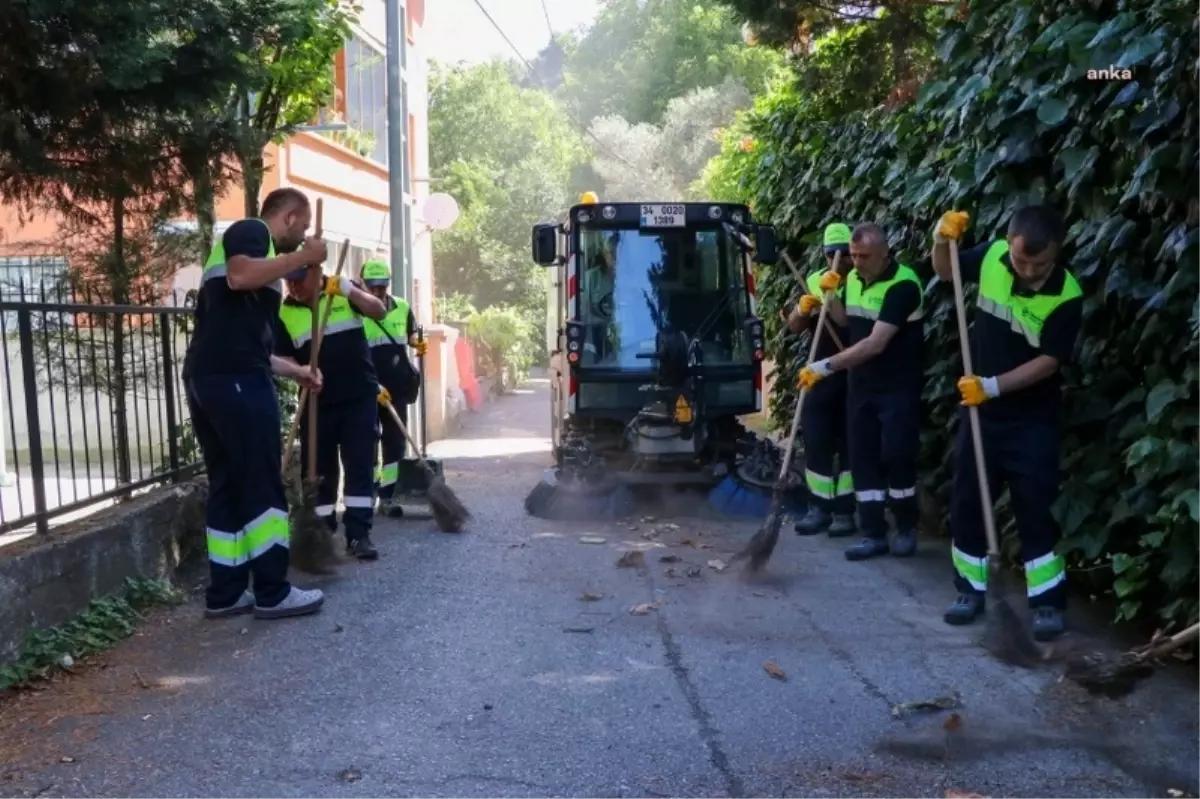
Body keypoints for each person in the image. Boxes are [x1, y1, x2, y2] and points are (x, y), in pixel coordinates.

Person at [932, 206, 1082, 641]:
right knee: (968, 500)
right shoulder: (993, 254)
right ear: (1010, 245)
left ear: (1057, 253)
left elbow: (1050, 362)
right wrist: (942, 240)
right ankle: (970, 591)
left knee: (1036, 504)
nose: (1030, 271)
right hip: (980, 413)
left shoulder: (1067, 294)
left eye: (1041, 264)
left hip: (1031, 418)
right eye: (1022, 262)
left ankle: (1048, 602)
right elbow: (946, 273)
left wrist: (992, 386)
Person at [182, 187, 328, 620]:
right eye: (299, 229)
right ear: (288, 218)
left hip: (212, 378)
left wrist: (297, 371)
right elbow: (241, 275)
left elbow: (244, 344)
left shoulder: (249, 257)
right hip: (236, 382)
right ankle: (272, 590)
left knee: (227, 482)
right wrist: (305, 257)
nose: (299, 237)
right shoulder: (251, 232)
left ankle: (225, 593)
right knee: (262, 481)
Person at [797, 223, 924, 561]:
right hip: (861, 387)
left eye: (864, 256)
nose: (856, 263)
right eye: (852, 256)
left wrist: (824, 366)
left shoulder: (904, 285)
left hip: (897, 387)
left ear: (885, 253)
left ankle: (905, 527)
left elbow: (874, 344)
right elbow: (842, 323)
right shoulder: (852, 278)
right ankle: (872, 533)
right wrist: (830, 294)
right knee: (863, 459)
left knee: (897, 456)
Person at [274, 262, 388, 560]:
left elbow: (379, 311)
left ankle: (359, 535)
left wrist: (350, 290)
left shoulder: (343, 293)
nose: (293, 287)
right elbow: (282, 356)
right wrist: (300, 372)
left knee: (360, 465)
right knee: (318, 470)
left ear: (316, 273)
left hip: (358, 396)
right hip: (316, 402)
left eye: (299, 280)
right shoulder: (284, 312)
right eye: (289, 281)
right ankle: (321, 533)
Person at [785, 222, 856, 537]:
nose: (837, 261)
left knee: (850, 444)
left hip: (852, 373)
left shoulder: (860, 282)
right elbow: (794, 327)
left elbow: (847, 324)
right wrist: (802, 310)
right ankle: (818, 507)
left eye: (843, 255)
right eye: (831, 255)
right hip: (819, 375)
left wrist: (832, 295)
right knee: (816, 440)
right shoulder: (813, 279)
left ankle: (844, 511)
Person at [358, 257, 427, 517]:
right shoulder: (358, 311)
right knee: (367, 442)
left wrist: (417, 343)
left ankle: (388, 494)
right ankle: (369, 492)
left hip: (396, 388)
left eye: (382, 287)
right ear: (363, 285)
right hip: (367, 388)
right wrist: (373, 385)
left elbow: (410, 332)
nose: (377, 292)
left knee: (395, 443)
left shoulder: (402, 306)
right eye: (372, 287)